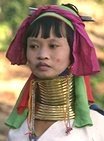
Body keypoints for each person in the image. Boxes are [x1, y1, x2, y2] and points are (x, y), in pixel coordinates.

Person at [5, 3, 104, 141]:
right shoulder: (18, 128)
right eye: (33, 46)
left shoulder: (97, 127)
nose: (42, 54)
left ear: (74, 53)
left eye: (53, 46)